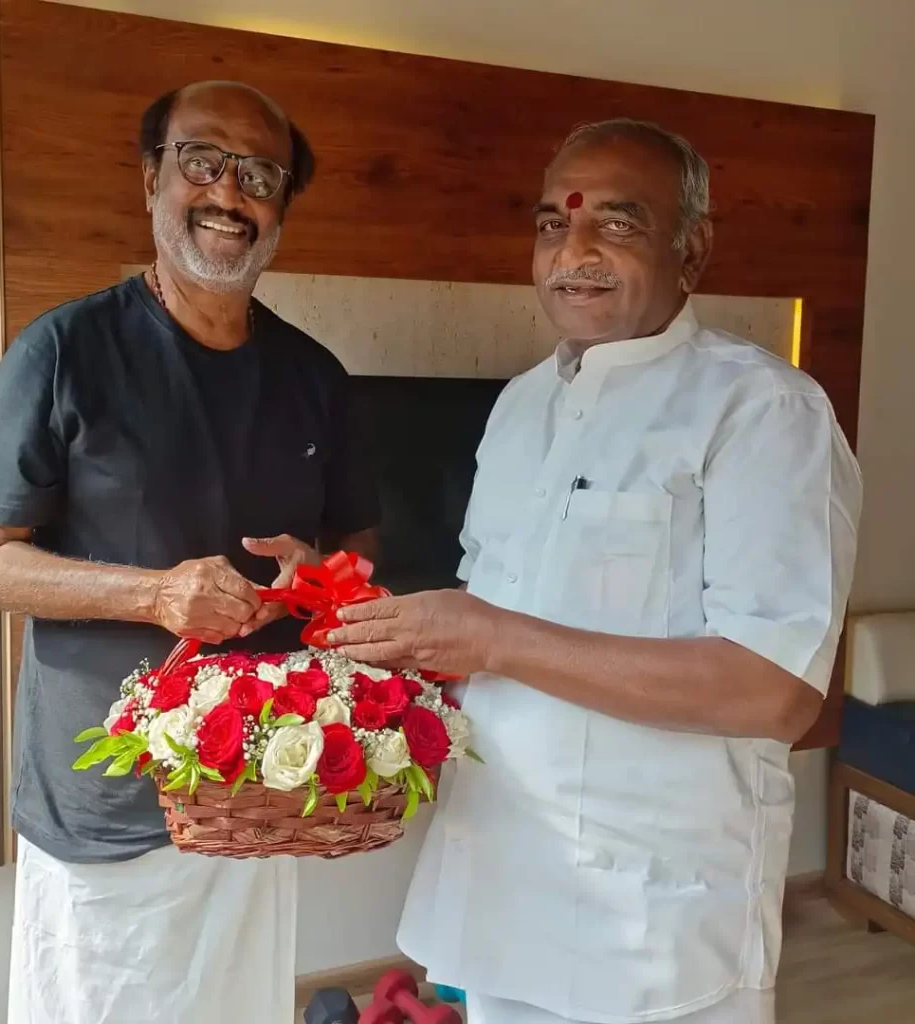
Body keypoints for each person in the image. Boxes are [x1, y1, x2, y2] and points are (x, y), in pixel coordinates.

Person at [328, 119, 862, 1024]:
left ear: (691, 249)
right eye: (551, 224)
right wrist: (352, 608)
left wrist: (490, 637)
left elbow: (775, 692)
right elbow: (485, 622)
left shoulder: (764, 411)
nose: (572, 251)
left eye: (617, 222)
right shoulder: (521, 404)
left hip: (651, 918)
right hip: (496, 882)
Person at [0, 80, 379, 1024]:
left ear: (283, 207)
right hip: (105, 808)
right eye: (202, 160)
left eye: (260, 174)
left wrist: (318, 582)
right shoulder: (61, 351)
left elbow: (356, 560)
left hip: (258, 794)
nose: (229, 191)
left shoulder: (316, 377)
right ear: (153, 179)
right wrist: (154, 594)